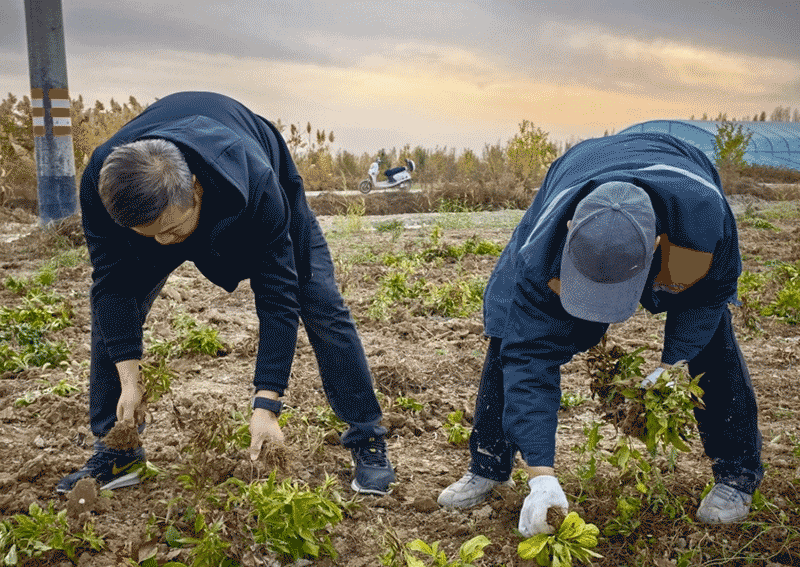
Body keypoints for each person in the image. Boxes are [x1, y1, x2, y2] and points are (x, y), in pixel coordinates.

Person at [57, 91, 395, 496]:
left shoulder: (254, 181)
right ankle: (118, 449)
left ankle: (367, 437)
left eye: (174, 231)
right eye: (151, 236)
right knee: (113, 318)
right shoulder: (105, 182)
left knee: (320, 303)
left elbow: (278, 296)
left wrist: (267, 402)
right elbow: (111, 284)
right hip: (165, 206)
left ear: (196, 190)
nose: (165, 244)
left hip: (244, 193)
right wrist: (129, 378)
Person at [437, 132, 763, 534]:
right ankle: (488, 463)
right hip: (580, 168)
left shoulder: (703, 220)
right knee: (509, 334)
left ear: (657, 245)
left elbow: (710, 295)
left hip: (675, 170)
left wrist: (673, 362)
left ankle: (737, 474)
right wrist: (541, 475)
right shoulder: (543, 248)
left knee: (711, 343)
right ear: (571, 228)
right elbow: (529, 356)